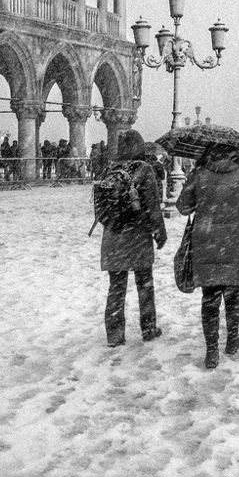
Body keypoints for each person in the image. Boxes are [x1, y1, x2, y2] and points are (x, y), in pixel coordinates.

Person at [176, 143, 239, 370]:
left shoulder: (200, 175)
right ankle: (232, 339)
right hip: (234, 243)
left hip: (205, 241)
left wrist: (189, 186)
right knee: (232, 294)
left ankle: (211, 350)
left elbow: (182, 207)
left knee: (210, 297)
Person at [100, 130, 167, 347]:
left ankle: (114, 334)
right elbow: (152, 206)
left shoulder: (109, 169)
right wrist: (159, 232)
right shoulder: (144, 169)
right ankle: (148, 328)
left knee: (116, 286)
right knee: (144, 284)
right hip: (137, 236)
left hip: (113, 235)